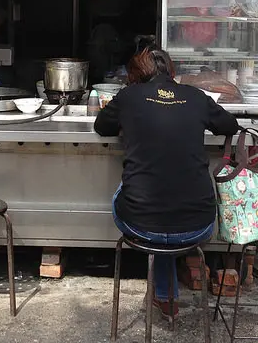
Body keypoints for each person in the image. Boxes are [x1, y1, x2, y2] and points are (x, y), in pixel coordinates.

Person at [94, 46, 239, 319]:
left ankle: (165, 295)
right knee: (164, 208)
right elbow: (229, 125)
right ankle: (165, 295)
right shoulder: (195, 97)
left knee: (144, 203)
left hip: (139, 224)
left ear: (134, 75)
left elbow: (102, 126)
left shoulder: (128, 97)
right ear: (172, 72)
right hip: (199, 225)